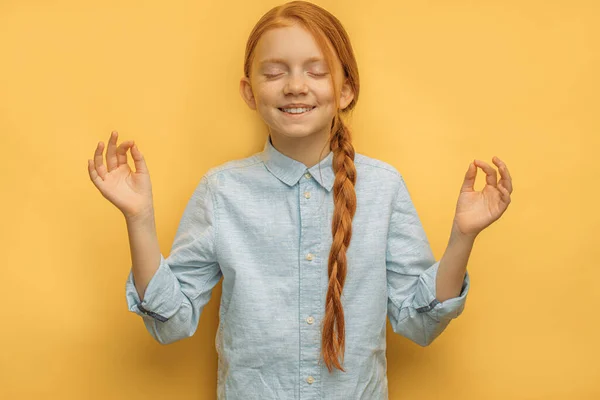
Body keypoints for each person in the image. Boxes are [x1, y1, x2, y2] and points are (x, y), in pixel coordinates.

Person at [87, 1, 513, 398]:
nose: (294, 86)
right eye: (274, 73)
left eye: (316, 71)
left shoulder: (384, 187)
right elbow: (171, 321)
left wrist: (462, 238)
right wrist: (139, 219)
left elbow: (419, 322)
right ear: (250, 92)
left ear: (346, 90)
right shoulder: (221, 192)